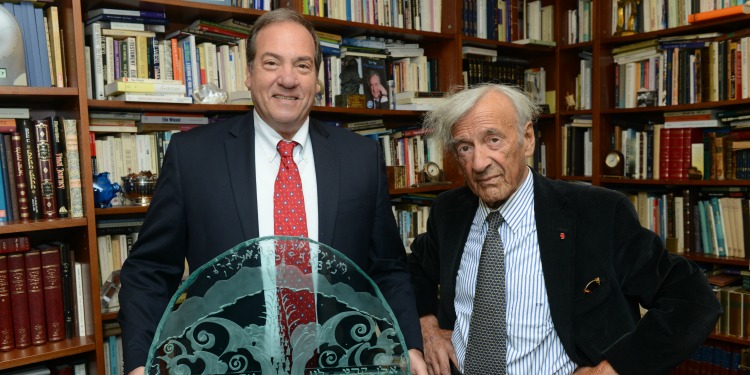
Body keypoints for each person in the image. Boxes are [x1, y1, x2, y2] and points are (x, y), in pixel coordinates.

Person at [118, 8, 427, 375]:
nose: (288, 79)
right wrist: (140, 362)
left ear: (316, 78)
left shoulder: (360, 157)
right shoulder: (193, 157)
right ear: (248, 74)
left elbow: (388, 268)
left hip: (342, 364)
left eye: (302, 65)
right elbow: (149, 270)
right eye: (271, 63)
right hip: (226, 364)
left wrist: (410, 347)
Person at [408, 83, 722, 375]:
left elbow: (692, 299)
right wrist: (428, 326)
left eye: (493, 140)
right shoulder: (450, 211)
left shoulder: (596, 213)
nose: (479, 162)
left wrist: (612, 369)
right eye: (465, 147)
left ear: (527, 139)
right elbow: (411, 272)